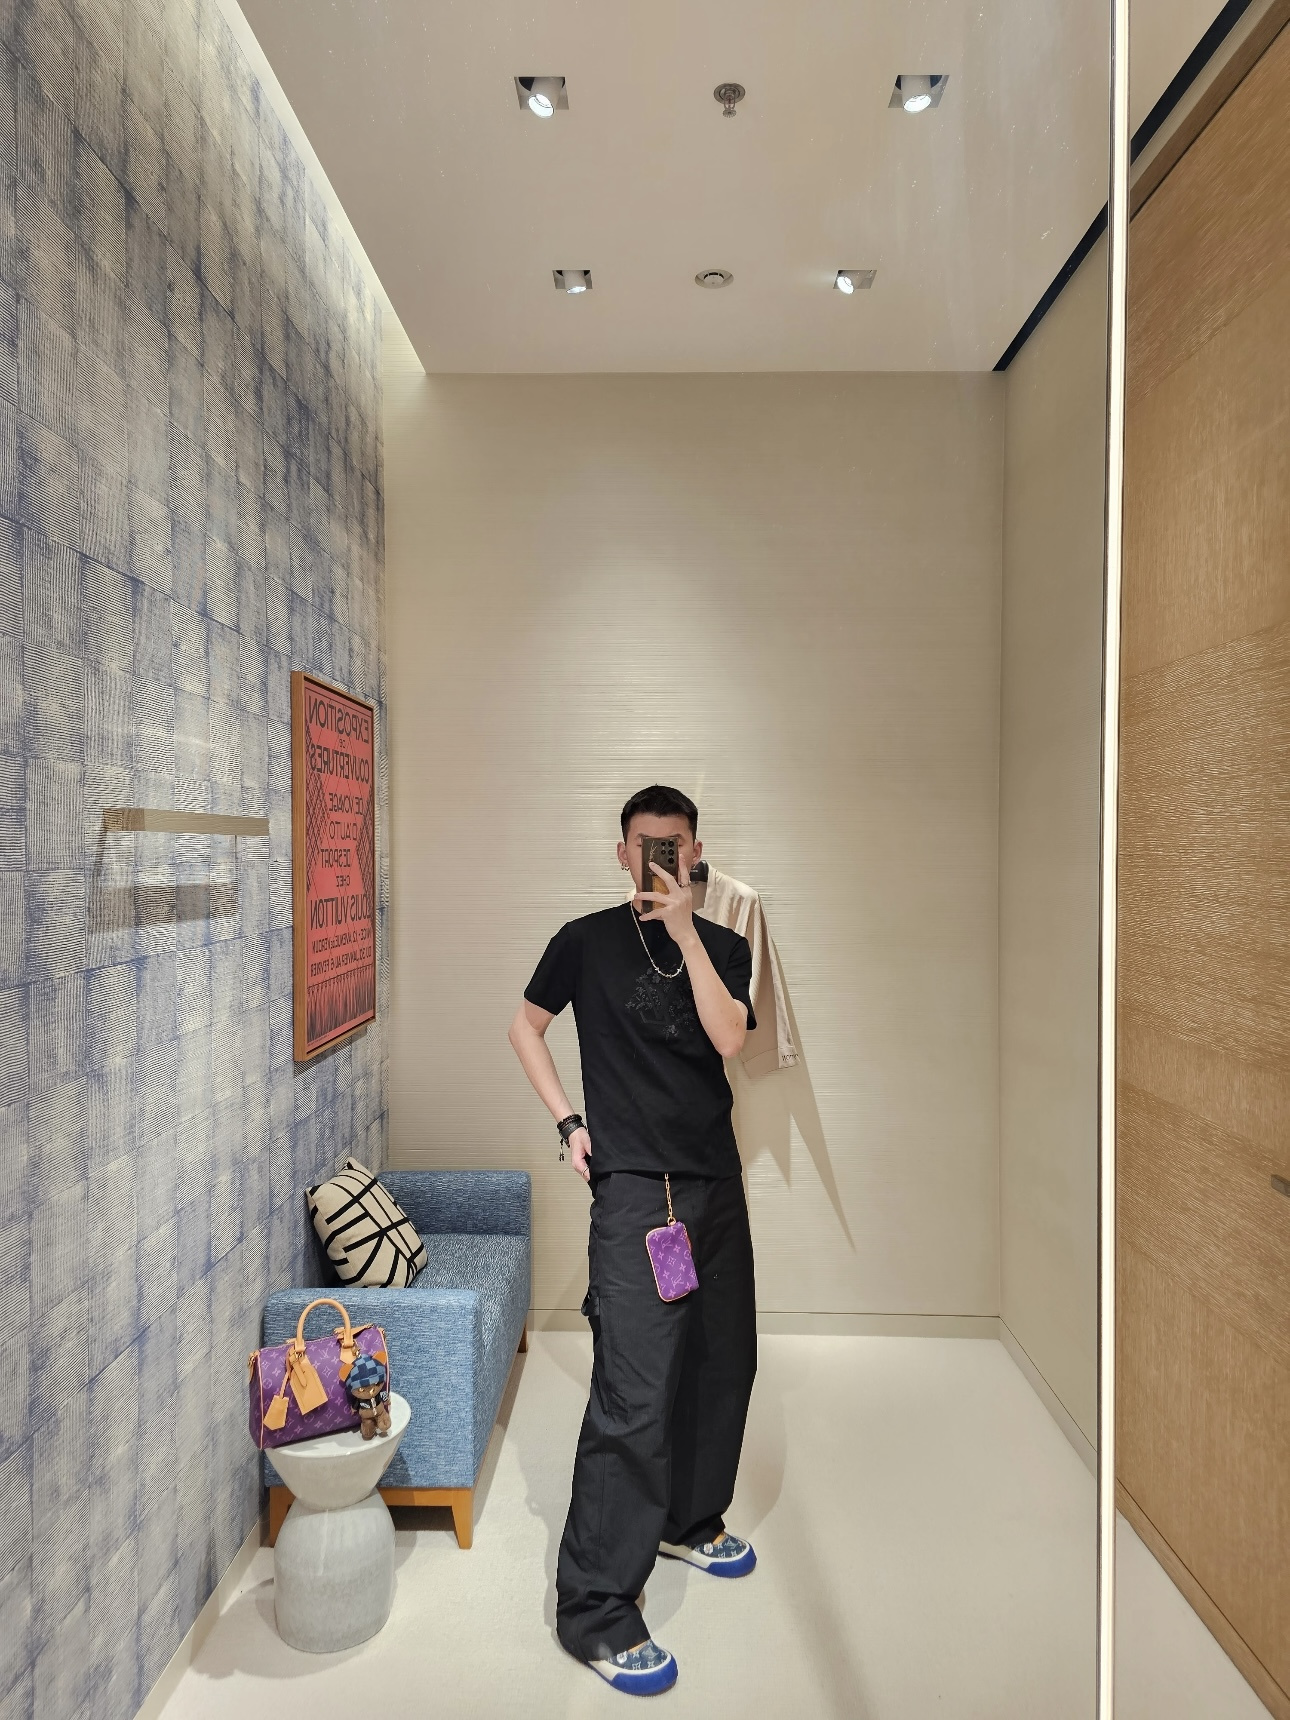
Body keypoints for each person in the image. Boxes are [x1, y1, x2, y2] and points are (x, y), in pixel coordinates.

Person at [508, 784, 760, 1697]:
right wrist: (568, 1123)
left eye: (676, 844)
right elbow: (524, 1026)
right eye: (647, 844)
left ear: (695, 851)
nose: (662, 857)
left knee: (722, 1364)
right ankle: (597, 1610)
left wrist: (687, 931)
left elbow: (730, 1040)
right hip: (634, 1197)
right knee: (634, 1394)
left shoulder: (723, 944)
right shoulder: (584, 940)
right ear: (622, 853)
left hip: (714, 1187)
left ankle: (687, 1521)